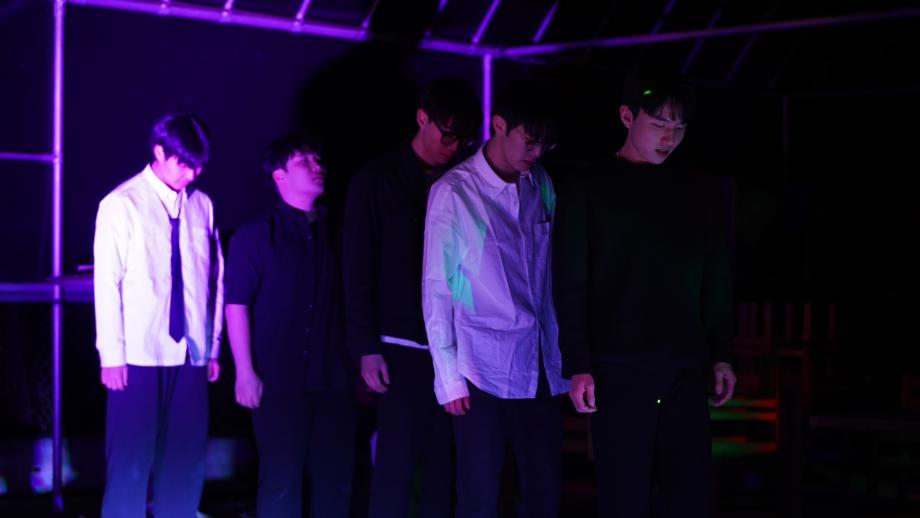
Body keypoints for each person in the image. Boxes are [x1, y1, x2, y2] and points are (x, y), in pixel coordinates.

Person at [554, 71, 737, 517]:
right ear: (626, 116)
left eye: (679, 127)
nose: (669, 138)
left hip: (685, 364)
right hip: (618, 364)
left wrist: (722, 353)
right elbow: (570, 279)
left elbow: (716, 274)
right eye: (658, 125)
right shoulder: (588, 186)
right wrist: (579, 364)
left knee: (689, 494)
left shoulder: (699, 188)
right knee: (624, 494)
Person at [422, 81, 569, 518]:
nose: (537, 152)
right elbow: (437, 286)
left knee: (544, 491)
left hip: (542, 363)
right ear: (500, 125)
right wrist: (448, 377)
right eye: (530, 141)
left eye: (545, 144)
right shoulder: (455, 191)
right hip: (481, 366)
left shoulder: (540, 182)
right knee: (480, 495)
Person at [343, 78, 480, 518]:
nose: (454, 147)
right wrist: (366, 346)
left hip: (455, 344)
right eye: (448, 135)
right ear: (422, 118)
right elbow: (358, 269)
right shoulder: (376, 180)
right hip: (399, 342)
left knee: (444, 466)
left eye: (463, 139)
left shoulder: (463, 182)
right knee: (396, 464)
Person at [94, 113, 223, 518]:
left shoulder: (203, 205)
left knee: (185, 463)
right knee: (129, 465)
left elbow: (214, 278)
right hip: (137, 355)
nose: (192, 174)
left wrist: (212, 346)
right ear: (159, 152)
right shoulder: (121, 204)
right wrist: (111, 355)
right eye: (184, 164)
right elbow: (106, 283)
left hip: (190, 353)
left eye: (198, 166)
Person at [225, 133, 355, 518]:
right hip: (278, 381)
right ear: (279, 175)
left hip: (333, 379)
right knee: (281, 481)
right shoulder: (256, 235)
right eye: (305, 161)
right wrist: (245, 371)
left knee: (335, 481)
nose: (318, 166)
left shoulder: (338, 232)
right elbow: (237, 304)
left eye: (318, 159)